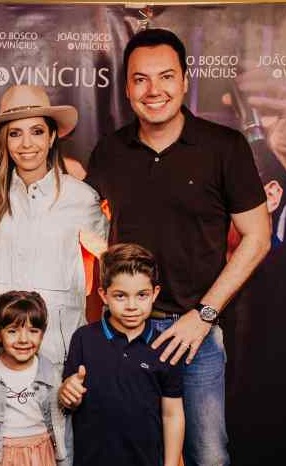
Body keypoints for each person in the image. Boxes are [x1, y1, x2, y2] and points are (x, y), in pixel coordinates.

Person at [85, 28, 270, 466]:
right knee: (127, 453)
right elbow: (82, 220)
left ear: (185, 81)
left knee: (208, 455)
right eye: (141, 79)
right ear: (126, 87)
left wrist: (203, 316)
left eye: (166, 76)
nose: (154, 90)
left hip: (195, 333)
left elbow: (258, 236)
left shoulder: (224, 147)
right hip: (125, 330)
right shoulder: (109, 151)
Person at [0, 85, 108, 372]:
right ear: (4, 140)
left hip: (57, 354)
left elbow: (110, 268)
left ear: (52, 136)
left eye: (37, 131)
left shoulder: (82, 198)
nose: (26, 144)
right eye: (15, 133)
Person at [59, 242, 184, 466]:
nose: (131, 306)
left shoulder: (165, 347)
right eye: (120, 296)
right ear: (104, 295)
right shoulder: (84, 339)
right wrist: (67, 392)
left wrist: (172, 464)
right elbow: (69, 399)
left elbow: (172, 414)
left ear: (155, 293)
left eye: (142, 295)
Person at [0, 290, 69, 466]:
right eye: (12, 331)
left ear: (42, 334)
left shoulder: (50, 373)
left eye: (33, 331)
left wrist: (64, 459)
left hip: (39, 455)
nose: (23, 339)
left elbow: (61, 422)